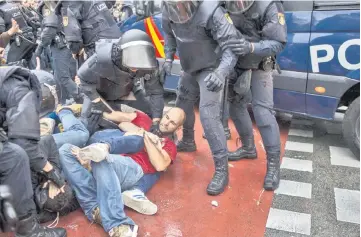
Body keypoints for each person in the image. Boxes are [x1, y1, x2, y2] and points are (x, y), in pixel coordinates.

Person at [58, 106, 185, 236]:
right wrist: (142, 132)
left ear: (178, 128)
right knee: (65, 150)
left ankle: (116, 224)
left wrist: (147, 139)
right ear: (163, 115)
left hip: (132, 168)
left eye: (172, 123)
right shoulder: (145, 120)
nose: (166, 123)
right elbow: (123, 123)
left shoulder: (169, 144)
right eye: (167, 117)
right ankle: (96, 210)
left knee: (102, 158)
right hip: (112, 160)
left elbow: (160, 165)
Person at [161, 0, 240, 195]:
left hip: (211, 68)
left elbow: (231, 47)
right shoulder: (167, 8)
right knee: (181, 106)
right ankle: (188, 140)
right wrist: (168, 58)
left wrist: (221, 72)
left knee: (208, 116)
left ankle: (222, 170)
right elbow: (169, 36)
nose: (179, 10)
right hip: (190, 66)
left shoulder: (212, 11)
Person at [223, 0, 287, 191]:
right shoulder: (225, 3)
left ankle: (274, 166)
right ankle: (249, 148)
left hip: (260, 64)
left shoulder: (269, 5)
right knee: (235, 107)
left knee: (263, 114)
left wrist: (251, 48)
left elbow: (278, 42)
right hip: (235, 63)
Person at [0, 68, 67, 237]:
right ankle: (29, 232)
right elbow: (24, 144)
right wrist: (51, 172)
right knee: (15, 156)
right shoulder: (23, 91)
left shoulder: (12, 83)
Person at [77, 29, 164, 131]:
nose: (135, 66)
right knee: (89, 122)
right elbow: (83, 78)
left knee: (151, 111)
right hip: (99, 90)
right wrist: (96, 102)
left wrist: (156, 121)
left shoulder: (149, 64)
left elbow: (156, 93)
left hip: (126, 88)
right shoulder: (104, 57)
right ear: (120, 52)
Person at [35, 1, 79, 104]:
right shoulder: (57, 3)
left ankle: (81, 97)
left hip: (60, 45)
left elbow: (50, 28)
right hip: (69, 42)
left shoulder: (48, 5)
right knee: (59, 76)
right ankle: (61, 101)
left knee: (63, 77)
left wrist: (40, 47)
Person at [54, 0, 122, 58]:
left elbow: (73, 34)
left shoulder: (67, 4)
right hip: (118, 40)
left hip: (99, 47)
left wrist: (75, 50)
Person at [0, 0, 38, 68]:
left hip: (16, 42)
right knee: (30, 67)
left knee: (11, 67)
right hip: (29, 38)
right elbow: (30, 21)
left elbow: (1, 31)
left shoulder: (1, 10)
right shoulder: (15, 6)